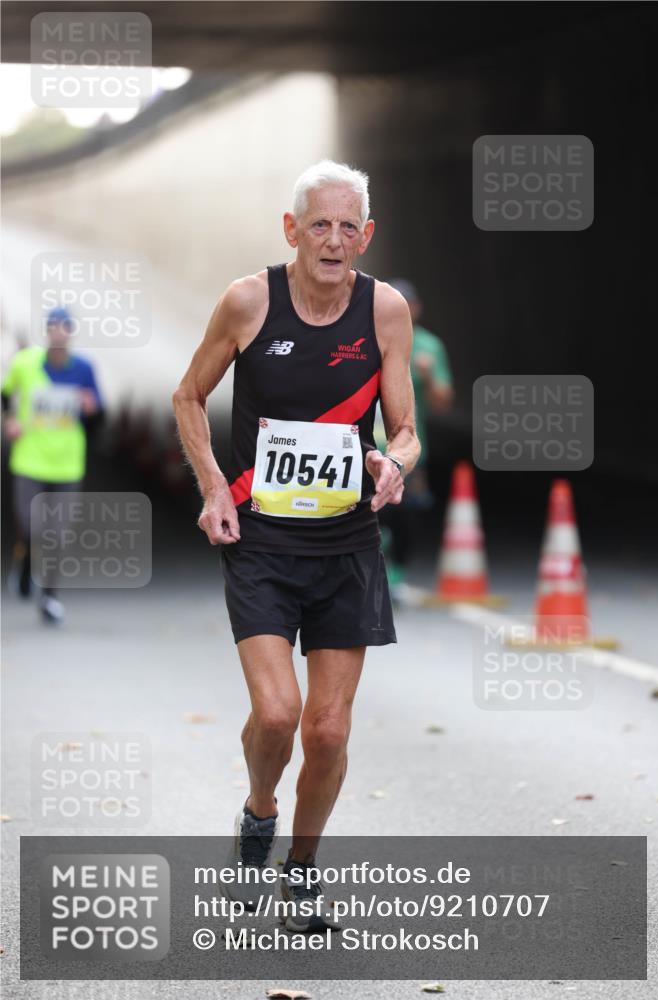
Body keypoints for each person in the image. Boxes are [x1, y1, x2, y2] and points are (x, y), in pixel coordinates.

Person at [173, 160, 420, 930]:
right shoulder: (249, 301)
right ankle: (258, 812)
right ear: (291, 230)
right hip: (262, 543)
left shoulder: (385, 311)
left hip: (346, 545)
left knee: (328, 729)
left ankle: (302, 871)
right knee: (278, 715)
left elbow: (405, 430)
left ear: (366, 235)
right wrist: (214, 488)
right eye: (319, 225)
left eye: (348, 227)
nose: (333, 240)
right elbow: (188, 395)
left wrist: (392, 464)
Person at [2, 306, 104, 623]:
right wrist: (9, 420)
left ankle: (49, 596)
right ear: (47, 331)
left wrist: (91, 408)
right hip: (29, 459)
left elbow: (99, 415)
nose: (59, 332)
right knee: (30, 526)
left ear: (71, 332)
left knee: (57, 535)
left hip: (66, 464)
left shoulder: (84, 368)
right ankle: (25, 561)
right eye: (54, 326)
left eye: (65, 327)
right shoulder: (26, 363)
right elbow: (5, 393)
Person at [376, 279, 453, 600]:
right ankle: (372, 572)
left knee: (404, 512)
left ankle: (395, 573)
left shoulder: (428, 347)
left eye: (407, 304)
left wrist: (428, 375)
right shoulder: (363, 336)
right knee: (368, 512)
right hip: (368, 445)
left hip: (406, 449)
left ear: (417, 309)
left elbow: (443, 401)